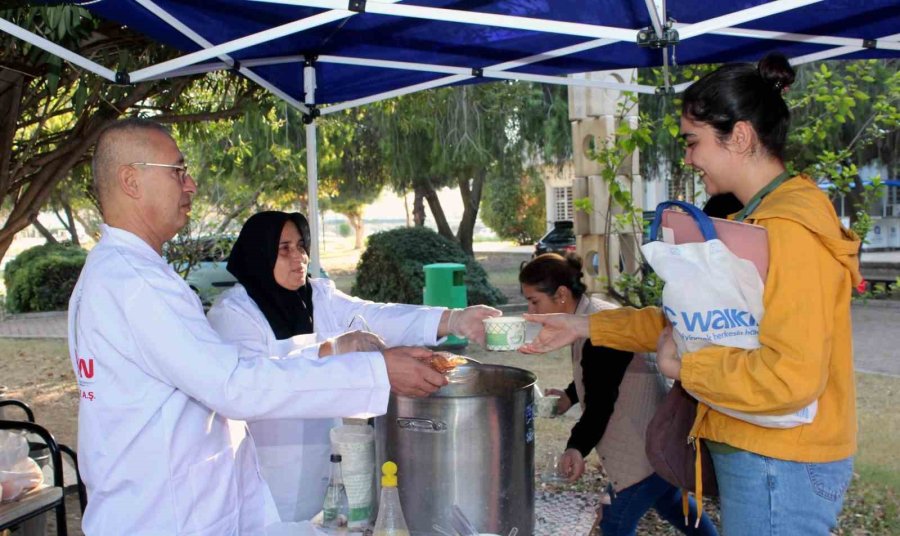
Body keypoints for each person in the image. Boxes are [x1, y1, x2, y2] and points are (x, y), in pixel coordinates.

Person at [521, 52, 861, 536]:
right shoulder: (756, 220)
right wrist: (584, 325)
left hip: (780, 461)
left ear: (739, 137)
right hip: (761, 450)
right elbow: (695, 323)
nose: (687, 158)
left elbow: (792, 376)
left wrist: (686, 367)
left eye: (693, 142)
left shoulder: (789, 228)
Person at [68, 118, 449, 536]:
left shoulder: (126, 272)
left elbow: (222, 378)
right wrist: (377, 371)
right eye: (178, 171)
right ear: (130, 180)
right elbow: (235, 385)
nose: (191, 184)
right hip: (163, 517)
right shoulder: (134, 284)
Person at [206, 210, 500, 521]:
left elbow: (375, 316)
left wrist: (452, 319)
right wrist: (330, 348)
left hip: (325, 467)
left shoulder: (317, 296)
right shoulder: (234, 314)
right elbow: (255, 383)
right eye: (285, 249)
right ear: (259, 254)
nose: (300, 258)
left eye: (301, 246)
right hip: (263, 478)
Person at [521, 253, 717, 536]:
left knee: (614, 521)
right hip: (660, 444)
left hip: (643, 448)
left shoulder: (598, 330)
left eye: (534, 300)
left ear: (561, 294)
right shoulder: (595, 315)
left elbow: (601, 401)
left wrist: (576, 447)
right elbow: (603, 377)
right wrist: (569, 396)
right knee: (672, 503)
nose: (530, 308)